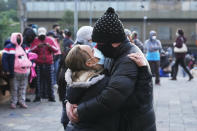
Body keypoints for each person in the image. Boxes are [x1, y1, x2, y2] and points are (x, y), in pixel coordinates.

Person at [66, 7, 156, 131]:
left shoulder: (129, 58)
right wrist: (69, 101)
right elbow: (83, 75)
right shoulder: (112, 53)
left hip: (133, 124)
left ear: (112, 42)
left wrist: (78, 111)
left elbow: (111, 97)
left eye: (99, 44)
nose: (97, 48)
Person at [2, 33, 32, 109]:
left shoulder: (24, 47)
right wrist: (7, 70)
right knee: (14, 88)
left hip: (25, 71)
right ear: (13, 38)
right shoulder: (8, 47)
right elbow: (4, 60)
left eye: (19, 37)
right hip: (14, 72)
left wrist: (32, 65)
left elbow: (30, 56)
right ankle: (13, 103)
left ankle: (22, 102)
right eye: (17, 37)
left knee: (23, 87)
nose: (18, 38)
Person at [31, 27, 58, 102]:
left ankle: (51, 96)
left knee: (50, 80)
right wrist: (37, 47)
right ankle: (38, 96)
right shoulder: (35, 40)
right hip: (38, 63)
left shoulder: (50, 40)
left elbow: (56, 50)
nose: (41, 36)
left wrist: (50, 46)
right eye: (40, 35)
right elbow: (31, 50)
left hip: (49, 63)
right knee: (38, 81)